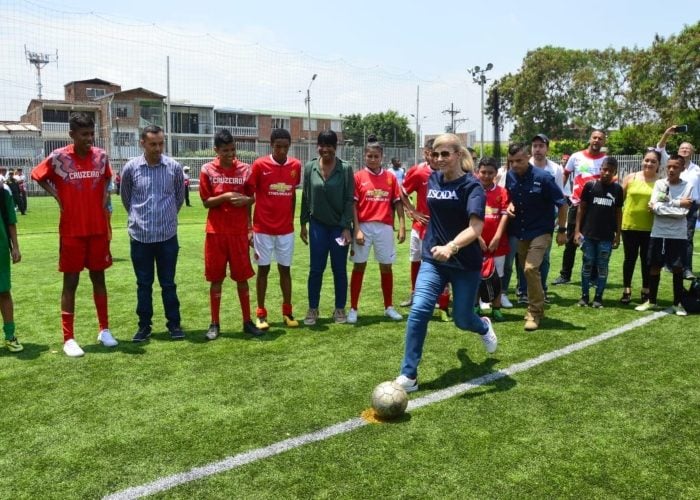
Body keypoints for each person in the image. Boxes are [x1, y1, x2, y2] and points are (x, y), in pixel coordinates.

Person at [394, 133, 496, 393]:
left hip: (464, 262)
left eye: (445, 154)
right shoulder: (433, 178)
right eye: (435, 154)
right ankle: (409, 375)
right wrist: (413, 215)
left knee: (463, 320)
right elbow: (404, 194)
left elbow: (475, 227)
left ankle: (483, 326)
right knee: (419, 311)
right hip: (433, 257)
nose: (439, 159)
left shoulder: (472, 187)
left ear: (458, 155)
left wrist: (452, 246)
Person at [31, 112, 116, 357]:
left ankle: (104, 330)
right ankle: (68, 338)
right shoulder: (58, 157)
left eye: (92, 134)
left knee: (99, 279)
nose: (89, 139)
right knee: (71, 283)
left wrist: (104, 197)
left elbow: (108, 179)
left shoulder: (101, 157)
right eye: (84, 134)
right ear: (72, 135)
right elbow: (37, 175)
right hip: (71, 231)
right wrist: (56, 194)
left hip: (98, 229)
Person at [120, 125, 186, 342]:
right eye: (153, 144)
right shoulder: (131, 168)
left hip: (167, 236)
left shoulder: (174, 167)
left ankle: (174, 324)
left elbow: (178, 198)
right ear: (142, 144)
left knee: (168, 283)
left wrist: (165, 218)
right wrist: (141, 220)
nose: (158, 148)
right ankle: (144, 326)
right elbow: (127, 199)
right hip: (140, 237)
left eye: (160, 144)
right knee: (143, 284)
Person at [199, 129, 263, 339]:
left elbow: (252, 198)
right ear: (216, 150)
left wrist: (249, 216)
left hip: (238, 233)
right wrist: (226, 196)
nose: (230, 154)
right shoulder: (207, 170)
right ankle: (214, 323)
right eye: (225, 150)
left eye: (233, 149)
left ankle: (247, 321)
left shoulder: (245, 169)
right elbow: (206, 202)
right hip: (216, 233)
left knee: (242, 278)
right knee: (216, 279)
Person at [506, 143, 568, 331]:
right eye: (511, 161)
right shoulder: (510, 176)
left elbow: (563, 204)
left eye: (519, 160)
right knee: (527, 270)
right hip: (521, 231)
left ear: (527, 157)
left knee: (531, 268)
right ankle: (536, 306)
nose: (515, 165)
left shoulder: (543, 178)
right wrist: (508, 204)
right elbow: (507, 196)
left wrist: (562, 230)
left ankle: (534, 312)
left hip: (541, 231)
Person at [246, 128, 301, 331]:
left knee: (285, 270)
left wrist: (292, 220)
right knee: (263, 270)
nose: (281, 150)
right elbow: (249, 198)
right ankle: (261, 314)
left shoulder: (295, 165)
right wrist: (250, 228)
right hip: (262, 229)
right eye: (278, 146)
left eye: (285, 147)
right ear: (271, 145)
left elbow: (293, 195)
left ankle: (287, 312)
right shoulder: (260, 165)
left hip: (286, 230)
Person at [348, 138, 405, 324]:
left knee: (386, 266)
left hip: (385, 228)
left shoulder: (390, 178)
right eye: (369, 156)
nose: (372, 159)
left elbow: (397, 202)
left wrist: (402, 225)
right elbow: (353, 205)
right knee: (359, 265)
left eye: (376, 156)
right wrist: (356, 229)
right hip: (363, 226)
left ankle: (389, 307)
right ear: (364, 156)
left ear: (382, 157)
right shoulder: (357, 177)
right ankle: (353, 308)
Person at [300, 130, 354, 325]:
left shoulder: (345, 169)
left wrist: (347, 227)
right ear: (318, 146)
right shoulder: (309, 168)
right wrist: (303, 224)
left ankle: (339, 309)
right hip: (317, 227)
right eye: (322, 145)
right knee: (316, 269)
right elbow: (306, 197)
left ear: (335, 147)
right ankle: (313, 309)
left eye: (329, 145)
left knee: (339, 269)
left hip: (339, 228)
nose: (325, 149)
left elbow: (349, 199)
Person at [635, 154, 694, 315]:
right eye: (669, 166)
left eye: (675, 167)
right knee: (654, 266)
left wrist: (667, 205)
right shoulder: (660, 183)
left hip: (678, 235)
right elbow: (655, 208)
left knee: (677, 268)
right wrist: (676, 203)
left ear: (682, 168)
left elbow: (682, 212)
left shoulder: (688, 186)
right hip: (658, 232)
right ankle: (652, 301)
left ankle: (677, 303)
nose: (671, 170)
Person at [552, 130, 607, 285]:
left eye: (600, 138)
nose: (597, 140)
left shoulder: (606, 159)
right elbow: (565, 174)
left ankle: (593, 277)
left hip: (597, 207)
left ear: (604, 142)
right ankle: (565, 275)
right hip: (576, 204)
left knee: (594, 240)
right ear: (590, 139)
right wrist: (559, 193)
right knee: (570, 241)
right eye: (594, 137)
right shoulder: (576, 156)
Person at [574, 157, 623, 308]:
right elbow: (581, 209)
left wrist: (618, 234)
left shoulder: (617, 189)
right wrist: (577, 230)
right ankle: (584, 296)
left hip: (606, 237)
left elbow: (618, 212)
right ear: (600, 169)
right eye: (604, 169)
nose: (607, 173)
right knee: (587, 264)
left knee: (602, 266)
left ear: (615, 172)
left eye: (610, 171)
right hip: (588, 235)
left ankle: (598, 297)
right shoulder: (590, 186)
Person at [656, 127, 699, 280]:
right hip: (670, 203)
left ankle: (686, 268)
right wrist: (667, 133)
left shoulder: (697, 170)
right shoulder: (670, 162)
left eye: (688, 148)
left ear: (692, 152)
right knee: (668, 235)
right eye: (682, 148)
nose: (685, 150)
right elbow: (660, 148)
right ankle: (668, 264)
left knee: (687, 238)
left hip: (691, 206)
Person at [619, 149, 659, 305]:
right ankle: (627, 290)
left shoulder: (661, 182)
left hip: (651, 228)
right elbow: (619, 201)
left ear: (658, 165)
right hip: (629, 226)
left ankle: (646, 289)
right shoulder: (630, 178)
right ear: (642, 161)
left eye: (653, 161)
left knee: (646, 261)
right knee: (629, 259)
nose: (649, 163)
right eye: (647, 160)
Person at [475, 156, 510, 321]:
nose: (486, 176)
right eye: (483, 172)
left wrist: (497, 237)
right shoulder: (472, 190)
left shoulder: (502, 192)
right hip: (475, 242)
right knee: (475, 275)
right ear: (477, 172)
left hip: (497, 243)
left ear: (496, 173)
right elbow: (466, 218)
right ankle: (475, 306)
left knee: (497, 277)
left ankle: (496, 308)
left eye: (490, 173)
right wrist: (477, 238)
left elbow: (504, 216)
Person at [0, 182, 23, 352]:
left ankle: (10, 335)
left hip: (0, 249)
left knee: (3, 292)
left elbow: (10, 221)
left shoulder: (3, 191)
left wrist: (15, 246)